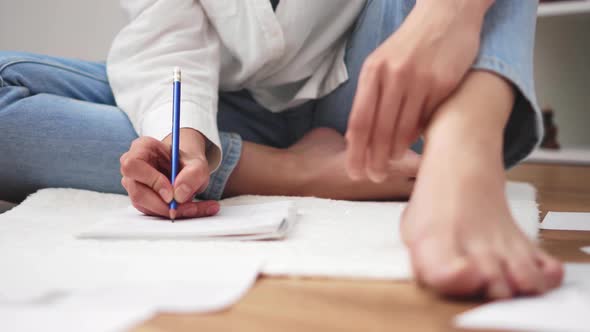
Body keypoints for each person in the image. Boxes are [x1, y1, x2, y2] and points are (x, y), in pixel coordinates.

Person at [0, 0, 563, 298]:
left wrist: (448, 15)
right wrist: (185, 140)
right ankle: (290, 170)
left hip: (379, 93)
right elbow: (166, 38)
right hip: (234, 110)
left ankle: (463, 146)